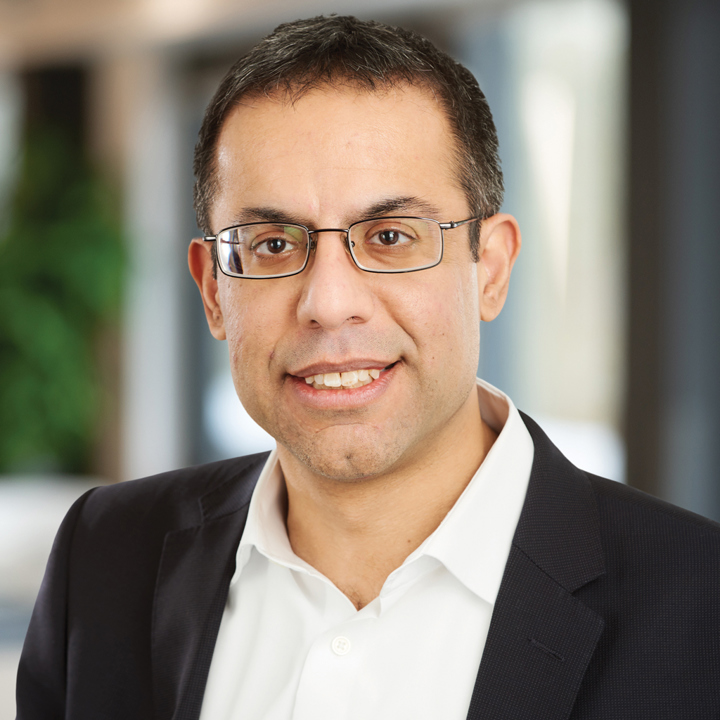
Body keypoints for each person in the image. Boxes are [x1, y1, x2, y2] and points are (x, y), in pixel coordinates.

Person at [16, 15, 720, 720]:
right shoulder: (105, 559)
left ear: (492, 269)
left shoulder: (699, 605)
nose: (328, 304)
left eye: (390, 236)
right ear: (212, 291)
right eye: (272, 244)